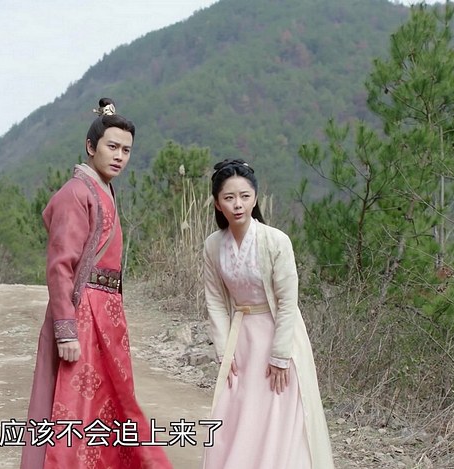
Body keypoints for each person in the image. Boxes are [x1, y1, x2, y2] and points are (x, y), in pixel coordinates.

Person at [21, 98, 172, 469]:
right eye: (112, 147)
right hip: (83, 315)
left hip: (107, 315)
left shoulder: (104, 190)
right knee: (75, 405)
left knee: (112, 401)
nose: (119, 156)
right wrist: (66, 331)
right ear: (91, 147)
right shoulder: (75, 193)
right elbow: (60, 267)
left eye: (126, 150)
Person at [201, 159, 335, 468]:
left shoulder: (275, 241)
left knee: (277, 408)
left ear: (255, 198)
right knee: (237, 408)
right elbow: (215, 301)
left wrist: (280, 354)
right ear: (218, 203)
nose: (238, 204)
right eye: (229, 197)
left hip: (277, 333)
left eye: (245, 196)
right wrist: (223, 350)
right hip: (241, 336)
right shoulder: (213, 246)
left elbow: (288, 301)